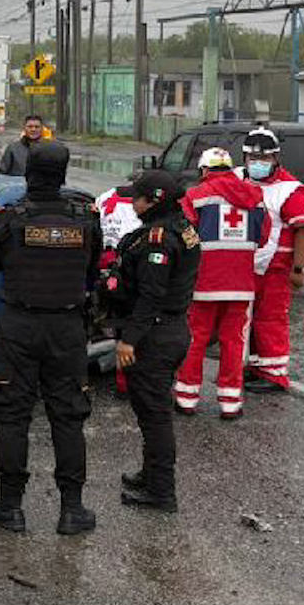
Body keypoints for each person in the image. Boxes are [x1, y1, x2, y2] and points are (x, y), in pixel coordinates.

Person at [0, 142, 102, 535]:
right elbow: (92, 269)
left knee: (13, 415)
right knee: (68, 416)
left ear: (28, 173)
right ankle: (72, 509)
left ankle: (10, 506)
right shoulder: (85, 219)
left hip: (20, 326)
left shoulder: (8, 219)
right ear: (63, 175)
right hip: (66, 328)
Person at [107, 169, 201, 512]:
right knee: (150, 410)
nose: (133, 202)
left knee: (155, 415)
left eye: (138, 197)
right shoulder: (181, 226)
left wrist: (129, 340)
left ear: (155, 200)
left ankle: (162, 492)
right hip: (171, 328)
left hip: (155, 335)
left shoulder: (158, 239)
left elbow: (151, 296)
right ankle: (150, 475)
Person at [174, 148, 266, 420]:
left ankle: (186, 397)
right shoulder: (255, 197)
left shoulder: (194, 196)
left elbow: (185, 238)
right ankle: (230, 402)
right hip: (241, 281)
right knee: (234, 341)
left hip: (204, 281)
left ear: (204, 170)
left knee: (196, 338)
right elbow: (261, 238)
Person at [242, 127, 304, 394]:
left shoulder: (290, 189)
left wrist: (298, 268)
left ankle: (275, 374)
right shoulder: (239, 182)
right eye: (252, 159)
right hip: (244, 266)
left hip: (277, 268)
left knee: (271, 319)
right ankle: (256, 367)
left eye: (264, 159)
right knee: (248, 320)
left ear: (276, 158)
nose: (258, 164)